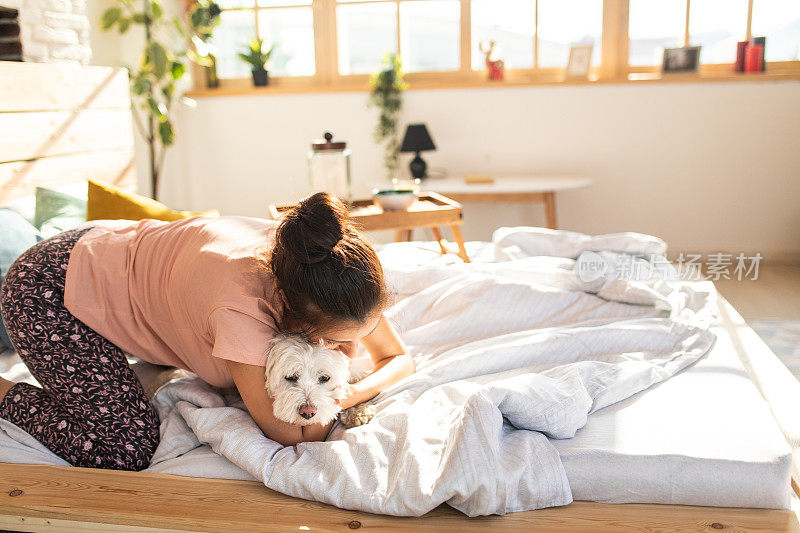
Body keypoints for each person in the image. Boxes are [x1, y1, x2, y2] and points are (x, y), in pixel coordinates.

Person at [0, 192, 414, 471]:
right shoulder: (241, 309)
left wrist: (348, 392)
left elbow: (398, 358)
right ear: (291, 315)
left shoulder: (319, 266)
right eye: (336, 342)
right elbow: (294, 432)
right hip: (45, 290)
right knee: (124, 447)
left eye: (359, 333)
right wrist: (331, 394)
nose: (351, 348)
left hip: (101, 253)